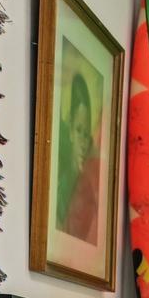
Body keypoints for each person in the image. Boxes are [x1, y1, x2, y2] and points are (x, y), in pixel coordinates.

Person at [55, 64, 102, 245]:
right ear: (70, 134)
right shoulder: (62, 188)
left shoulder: (90, 187)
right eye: (78, 130)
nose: (83, 143)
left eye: (86, 133)